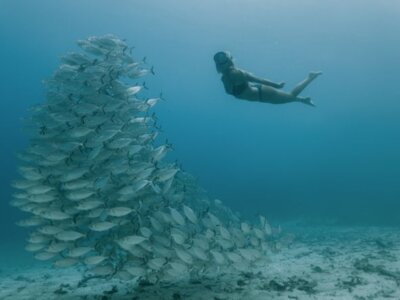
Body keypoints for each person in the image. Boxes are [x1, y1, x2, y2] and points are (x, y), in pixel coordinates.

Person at [213, 51, 322, 107]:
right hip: (260, 96)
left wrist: (276, 85)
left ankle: (310, 77)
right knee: (287, 99)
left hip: (262, 94)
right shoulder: (224, 78)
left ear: (228, 60)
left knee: (290, 96)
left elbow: (259, 80)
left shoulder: (237, 73)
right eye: (219, 60)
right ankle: (304, 100)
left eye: (223, 59)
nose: (221, 62)